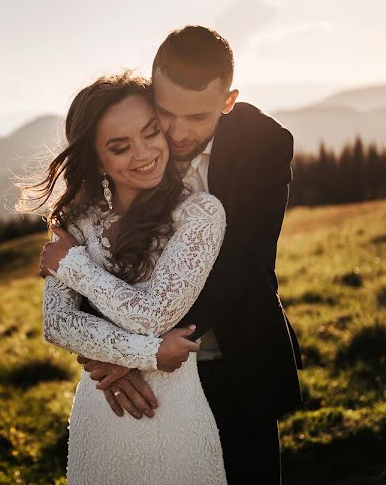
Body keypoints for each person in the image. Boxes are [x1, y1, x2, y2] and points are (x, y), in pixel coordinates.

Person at [43, 26, 304, 484]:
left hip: (233, 358)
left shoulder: (264, 143)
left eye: (199, 117)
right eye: (165, 112)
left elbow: (243, 264)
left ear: (228, 101)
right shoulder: (129, 135)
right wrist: (125, 350)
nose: (178, 132)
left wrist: (136, 351)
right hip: (141, 382)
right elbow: (90, 251)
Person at [19, 71, 229, 484]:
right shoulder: (77, 221)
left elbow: (153, 316)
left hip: (174, 417)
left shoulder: (200, 213)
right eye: (120, 147)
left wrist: (73, 266)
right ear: (97, 159)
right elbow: (58, 324)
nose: (144, 153)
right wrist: (147, 356)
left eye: (151, 132)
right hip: (101, 413)